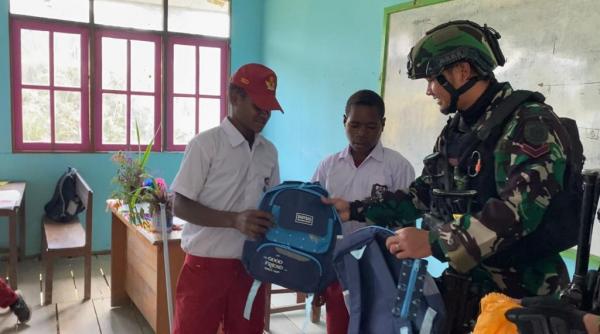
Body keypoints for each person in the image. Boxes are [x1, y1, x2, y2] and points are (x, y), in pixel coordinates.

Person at [324, 20, 576, 333]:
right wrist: (355, 209)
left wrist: (433, 242)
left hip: (524, 299)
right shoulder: (458, 131)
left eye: (432, 79)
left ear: (462, 72)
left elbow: (517, 213)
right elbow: (423, 194)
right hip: (468, 292)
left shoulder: (529, 125)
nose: (429, 90)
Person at [170, 63, 283, 334]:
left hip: (251, 266)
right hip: (205, 264)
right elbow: (179, 204)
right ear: (234, 97)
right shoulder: (205, 145)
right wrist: (234, 220)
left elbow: (273, 202)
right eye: (258, 106)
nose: (264, 115)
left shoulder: (269, 152)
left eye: (269, 109)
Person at [311, 89, 415, 334]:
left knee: (377, 326)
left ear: (383, 125)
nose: (361, 133)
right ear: (343, 121)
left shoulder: (397, 166)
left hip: (381, 267)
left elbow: (407, 222)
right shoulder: (329, 166)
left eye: (371, 126)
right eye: (354, 124)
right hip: (338, 265)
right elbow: (316, 221)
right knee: (339, 325)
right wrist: (316, 272)